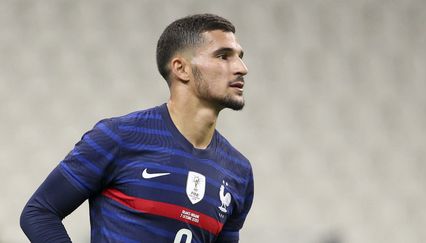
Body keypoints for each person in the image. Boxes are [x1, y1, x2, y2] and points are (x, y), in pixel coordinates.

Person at [20, 13, 254, 243]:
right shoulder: (119, 137)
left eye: (239, 57)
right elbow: (39, 212)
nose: (241, 68)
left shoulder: (238, 171)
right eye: (223, 56)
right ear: (181, 68)